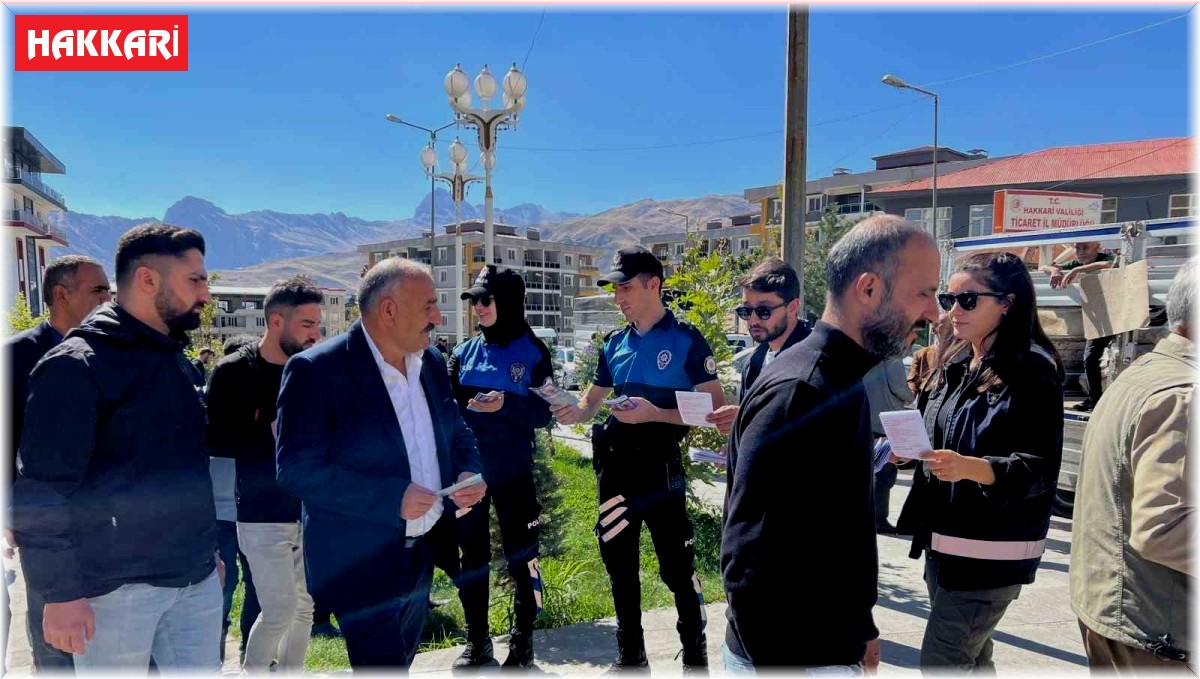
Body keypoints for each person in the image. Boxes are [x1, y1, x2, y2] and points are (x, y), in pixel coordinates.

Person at [722, 215, 938, 673]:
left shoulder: (839, 378)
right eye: (924, 293)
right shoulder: (803, 390)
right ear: (869, 289)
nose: (935, 312)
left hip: (827, 645)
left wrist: (861, 627)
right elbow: (747, 554)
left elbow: (838, 527)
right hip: (792, 656)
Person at [12, 223, 222, 672]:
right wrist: (61, 594)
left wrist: (208, 557)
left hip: (194, 579)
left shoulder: (173, 359)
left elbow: (184, 469)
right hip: (112, 592)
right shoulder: (76, 366)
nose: (205, 295)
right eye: (196, 280)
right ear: (148, 279)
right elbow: (42, 490)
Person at [274, 257, 486, 669]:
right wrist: (392, 498)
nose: (438, 317)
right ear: (389, 310)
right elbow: (296, 470)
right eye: (427, 305)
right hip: (360, 563)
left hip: (421, 553)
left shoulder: (432, 364)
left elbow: (456, 430)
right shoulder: (317, 371)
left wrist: (467, 470)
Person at [552, 246, 725, 672]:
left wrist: (655, 414)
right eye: (614, 289)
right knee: (620, 568)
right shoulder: (614, 343)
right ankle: (632, 657)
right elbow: (591, 403)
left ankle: (696, 654)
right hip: (616, 471)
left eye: (625, 287)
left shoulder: (686, 338)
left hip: (661, 470)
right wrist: (569, 408)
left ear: (654, 285)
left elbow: (715, 411)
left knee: (676, 569)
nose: (618, 297)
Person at [895, 251, 1065, 672]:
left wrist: (971, 467)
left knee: (944, 661)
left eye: (967, 300)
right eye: (949, 299)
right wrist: (901, 451)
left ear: (1006, 303)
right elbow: (935, 435)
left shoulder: (1032, 369)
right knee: (971, 658)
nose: (953, 310)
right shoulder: (954, 364)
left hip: (992, 553)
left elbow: (1039, 467)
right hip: (944, 543)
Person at [1070, 258, 1196, 670]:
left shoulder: (1146, 373)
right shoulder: (1182, 394)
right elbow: (1164, 528)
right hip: (1157, 629)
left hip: (1123, 615)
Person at [207, 277, 324, 673]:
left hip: (309, 510)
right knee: (278, 611)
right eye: (307, 325)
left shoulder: (312, 370)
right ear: (276, 321)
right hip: (260, 513)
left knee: (305, 608)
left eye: (317, 326)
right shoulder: (233, 372)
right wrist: (266, 432)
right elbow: (214, 441)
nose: (316, 335)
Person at [5, 255, 111, 673]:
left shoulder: (110, 354)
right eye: (98, 290)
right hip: (44, 519)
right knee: (53, 628)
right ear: (61, 295)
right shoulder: (15, 357)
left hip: (111, 522)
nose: (108, 299)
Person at [445, 265, 554, 669]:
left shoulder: (533, 351)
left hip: (514, 472)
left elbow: (546, 413)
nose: (477, 307)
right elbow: (449, 410)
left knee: (521, 557)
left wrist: (507, 403)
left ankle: (522, 646)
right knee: (471, 558)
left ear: (508, 301)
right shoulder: (462, 352)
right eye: (473, 300)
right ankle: (478, 643)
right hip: (470, 473)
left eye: (485, 299)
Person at [705, 257, 809, 436]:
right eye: (745, 311)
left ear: (792, 308)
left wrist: (748, 419)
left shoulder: (816, 361)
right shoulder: (753, 362)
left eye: (763, 311)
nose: (753, 320)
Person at [214, 335, 262, 663]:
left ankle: (252, 647)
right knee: (223, 583)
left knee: (258, 585)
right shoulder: (210, 410)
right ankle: (214, 640)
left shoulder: (264, 404)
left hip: (255, 513)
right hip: (218, 515)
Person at [1042, 241, 1116, 411]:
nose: (1080, 252)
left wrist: (1077, 270)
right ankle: (1095, 399)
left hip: (1114, 314)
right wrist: (1054, 270)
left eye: (1085, 248)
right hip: (1100, 317)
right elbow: (1044, 267)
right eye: (1077, 248)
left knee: (1097, 358)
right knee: (1090, 359)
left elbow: (1110, 264)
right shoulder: (1077, 262)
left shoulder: (1103, 258)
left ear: (1098, 248)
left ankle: (1096, 399)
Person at [863, 358, 914, 535]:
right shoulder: (891, 355)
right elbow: (899, 386)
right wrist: (911, 396)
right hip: (884, 419)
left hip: (863, 416)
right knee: (884, 473)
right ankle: (879, 519)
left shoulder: (860, 346)